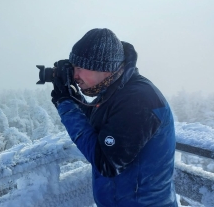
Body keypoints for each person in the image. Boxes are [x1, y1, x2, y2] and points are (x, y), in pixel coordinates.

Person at [51, 28, 177, 207]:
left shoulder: (139, 100)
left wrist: (66, 105)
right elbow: (98, 123)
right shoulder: (117, 91)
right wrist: (71, 99)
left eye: (79, 67)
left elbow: (107, 162)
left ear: (103, 67)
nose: (75, 75)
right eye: (73, 68)